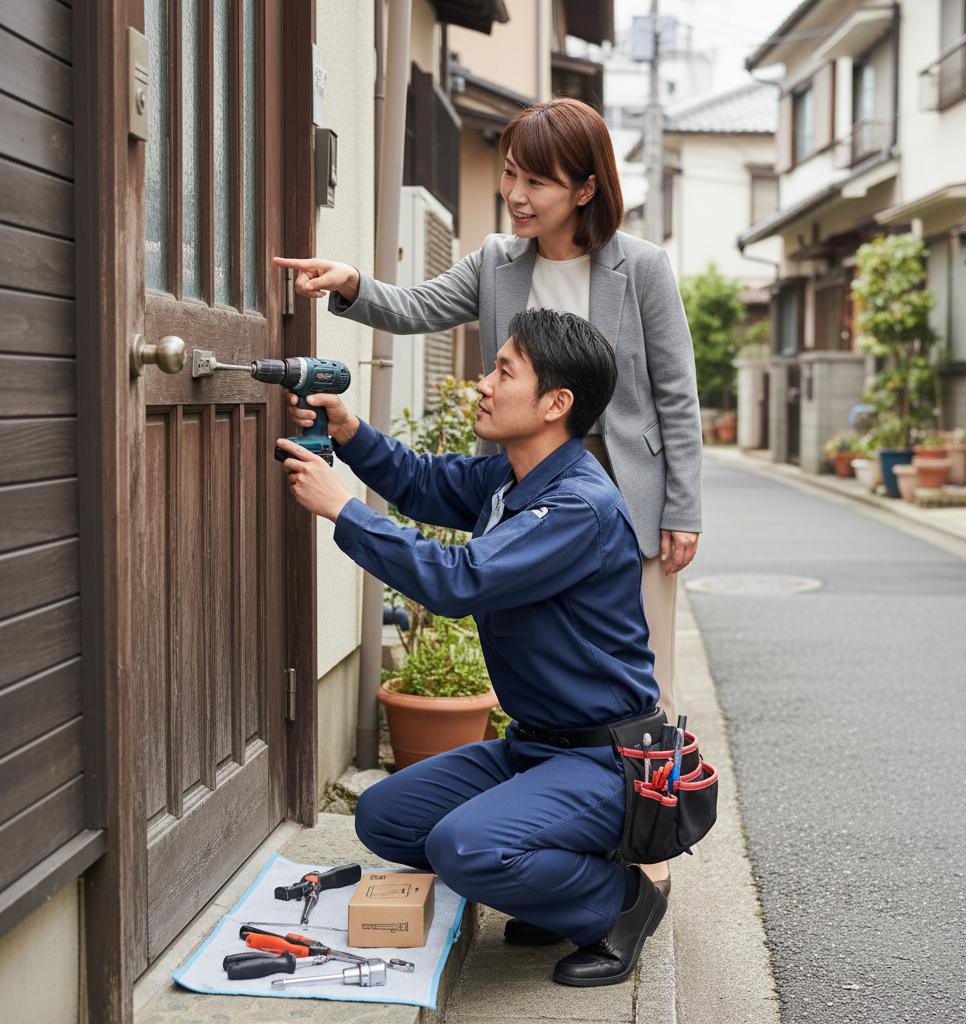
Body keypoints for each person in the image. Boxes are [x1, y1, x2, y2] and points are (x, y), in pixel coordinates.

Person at [274, 97, 702, 894]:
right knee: (539, 654)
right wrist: (354, 284)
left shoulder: (639, 266)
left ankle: (643, 842)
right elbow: (418, 308)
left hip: (619, 492)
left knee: (633, 679)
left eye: (536, 180)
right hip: (523, 474)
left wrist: (684, 507)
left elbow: (675, 391)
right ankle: (543, 827)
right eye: (510, 174)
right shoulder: (500, 260)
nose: (515, 193)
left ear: (584, 188)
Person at [277, 308, 667, 986]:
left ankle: (618, 903)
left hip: (604, 761)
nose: (483, 384)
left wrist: (343, 508)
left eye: (504, 372)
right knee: (386, 818)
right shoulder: (512, 480)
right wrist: (350, 432)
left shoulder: (576, 508)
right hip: (533, 749)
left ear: (556, 404)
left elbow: (459, 581)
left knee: (463, 847)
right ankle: (555, 886)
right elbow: (425, 483)